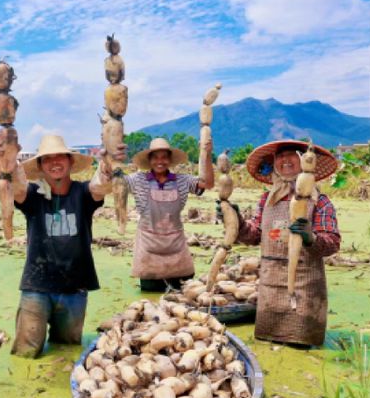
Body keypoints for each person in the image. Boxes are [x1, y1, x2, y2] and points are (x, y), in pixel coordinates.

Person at [0, 134, 122, 358]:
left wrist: (109, 160)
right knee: (26, 352)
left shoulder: (83, 193)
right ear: (40, 166)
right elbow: (16, 185)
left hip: (75, 289)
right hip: (37, 287)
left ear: (70, 162)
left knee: (66, 351)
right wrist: (7, 156)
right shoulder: (32, 196)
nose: (55, 162)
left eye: (60, 157)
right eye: (47, 159)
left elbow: (102, 183)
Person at [221, 140, 340, 346]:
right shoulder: (267, 199)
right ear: (275, 163)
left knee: (299, 343)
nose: (285, 160)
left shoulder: (319, 201)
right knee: (267, 344)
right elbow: (254, 235)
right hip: (270, 286)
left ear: (303, 161)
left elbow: (332, 243)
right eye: (280, 156)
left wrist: (311, 237)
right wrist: (236, 220)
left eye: (291, 154)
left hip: (304, 287)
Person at [124, 137, 214, 292]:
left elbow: (208, 183)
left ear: (170, 160)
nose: (160, 161)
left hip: (176, 249)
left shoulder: (182, 181)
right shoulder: (138, 180)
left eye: (164, 157)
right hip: (148, 250)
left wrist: (206, 154)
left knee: (185, 295)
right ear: (149, 160)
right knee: (150, 301)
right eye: (156, 157)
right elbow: (114, 184)